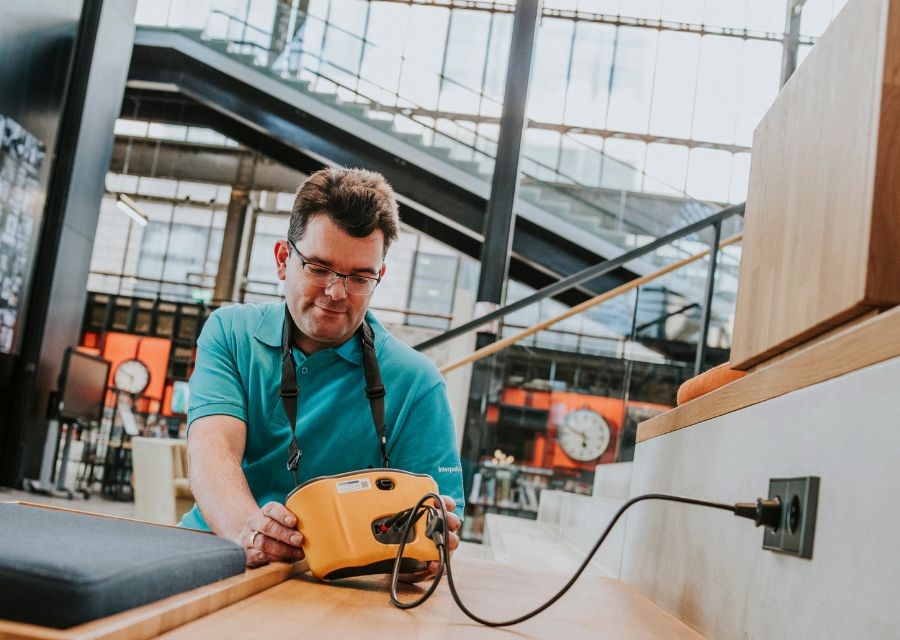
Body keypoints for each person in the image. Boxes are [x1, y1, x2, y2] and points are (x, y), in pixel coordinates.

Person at [180, 167, 464, 572]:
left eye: (360, 277)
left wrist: (424, 552)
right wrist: (248, 529)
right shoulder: (230, 333)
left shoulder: (417, 382)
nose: (336, 293)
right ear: (283, 259)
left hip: (338, 584)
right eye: (318, 268)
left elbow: (437, 532)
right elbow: (213, 450)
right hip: (215, 553)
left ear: (379, 275)